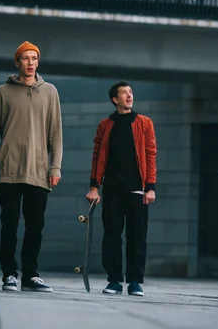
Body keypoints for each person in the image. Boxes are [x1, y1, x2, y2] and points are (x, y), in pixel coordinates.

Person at [0, 40, 63, 293]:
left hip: (38, 170)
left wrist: (55, 167)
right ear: (17, 62)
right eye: (26, 58)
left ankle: (30, 275)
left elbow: (56, 133)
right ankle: (9, 274)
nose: (31, 63)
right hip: (9, 169)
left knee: (36, 226)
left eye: (34, 58)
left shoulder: (50, 91)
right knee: (10, 223)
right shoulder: (3, 91)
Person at [85, 80, 157, 297]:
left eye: (131, 92)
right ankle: (114, 280)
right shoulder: (105, 125)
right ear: (115, 99)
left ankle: (135, 281)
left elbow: (150, 155)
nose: (129, 96)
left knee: (137, 237)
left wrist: (151, 187)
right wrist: (94, 186)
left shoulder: (144, 123)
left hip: (138, 190)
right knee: (112, 235)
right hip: (113, 190)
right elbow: (97, 157)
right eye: (124, 93)